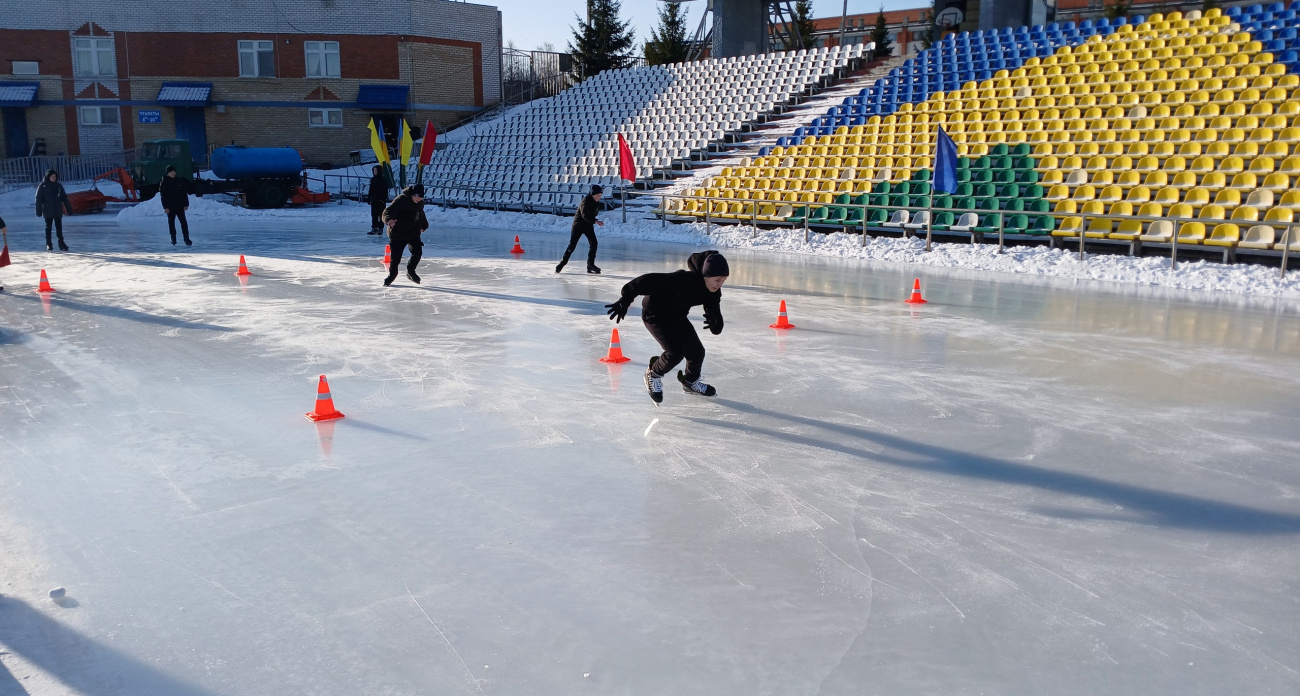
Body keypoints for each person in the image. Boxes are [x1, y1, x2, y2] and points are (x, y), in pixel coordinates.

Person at [606, 250, 729, 403]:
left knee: (697, 352)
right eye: (718, 280)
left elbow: (714, 312)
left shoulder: (713, 292)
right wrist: (626, 299)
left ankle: (690, 382)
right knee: (675, 352)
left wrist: (715, 323)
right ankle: (653, 374)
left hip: (677, 316)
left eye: (723, 280)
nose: (720, 284)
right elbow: (646, 281)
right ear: (706, 275)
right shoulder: (681, 280)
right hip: (655, 315)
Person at [381, 183, 428, 286]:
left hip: (413, 231)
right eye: (417, 197)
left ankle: (411, 271)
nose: (419, 199)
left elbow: (420, 213)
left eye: (421, 197)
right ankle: (392, 275)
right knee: (396, 258)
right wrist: (389, 220)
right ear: (413, 194)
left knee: (417, 252)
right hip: (398, 232)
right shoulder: (401, 200)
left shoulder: (419, 202)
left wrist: (424, 225)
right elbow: (387, 211)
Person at [556, 184, 604, 274]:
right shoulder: (585, 201)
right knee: (572, 245)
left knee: (594, 243)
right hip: (578, 225)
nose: (599, 197)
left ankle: (590, 264)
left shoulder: (596, 202)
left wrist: (594, 220)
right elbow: (585, 215)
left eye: (600, 195)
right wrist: (595, 221)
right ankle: (562, 264)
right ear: (593, 194)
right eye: (598, 195)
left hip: (588, 225)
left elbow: (593, 213)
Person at [35, 169, 72, 252]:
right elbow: (39, 199)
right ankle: (49, 243)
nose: (53, 178)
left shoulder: (59, 186)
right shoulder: (43, 186)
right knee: (48, 227)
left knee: (59, 228)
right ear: (48, 177)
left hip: (58, 210)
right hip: (48, 210)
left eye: (55, 176)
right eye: (52, 176)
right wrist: (39, 211)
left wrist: (69, 209)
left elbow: (64, 198)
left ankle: (61, 243)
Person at [159, 165, 193, 246]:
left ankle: (186, 238)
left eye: (174, 171)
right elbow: (163, 196)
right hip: (170, 207)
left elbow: (184, 193)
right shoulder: (164, 183)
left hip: (180, 205)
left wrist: (186, 204)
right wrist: (165, 207)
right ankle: (173, 239)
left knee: (184, 223)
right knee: (171, 223)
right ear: (168, 173)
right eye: (171, 172)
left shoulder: (179, 181)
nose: (173, 173)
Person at [367, 165, 388, 235]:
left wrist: (383, 199)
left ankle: (380, 228)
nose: (375, 172)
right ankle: (374, 227)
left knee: (381, 214)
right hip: (374, 200)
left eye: (376, 170)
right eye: (374, 170)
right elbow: (371, 189)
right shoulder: (373, 179)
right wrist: (369, 197)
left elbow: (385, 190)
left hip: (381, 201)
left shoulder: (383, 180)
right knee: (374, 214)